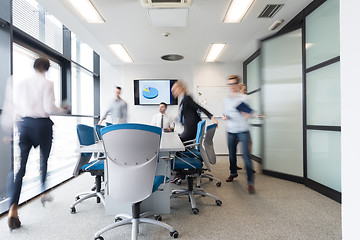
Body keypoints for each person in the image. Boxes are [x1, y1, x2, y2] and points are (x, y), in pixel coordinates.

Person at [1, 57, 68, 230]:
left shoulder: (22, 84)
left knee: (21, 168)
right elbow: (49, 108)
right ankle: (44, 189)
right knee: (44, 159)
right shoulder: (48, 83)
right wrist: (63, 110)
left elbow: (14, 108)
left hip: (25, 126)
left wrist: (10, 131)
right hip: (42, 126)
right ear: (46, 68)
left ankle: (13, 209)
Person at [223, 75, 255, 194]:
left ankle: (250, 182)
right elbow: (225, 113)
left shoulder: (244, 98)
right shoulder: (226, 100)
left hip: (243, 130)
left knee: (246, 156)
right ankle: (233, 173)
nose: (231, 86)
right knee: (231, 155)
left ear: (237, 84)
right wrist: (225, 116)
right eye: (229, 84)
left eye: (233, 84)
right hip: (231, 130)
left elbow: (249, 113)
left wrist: (247, 114)